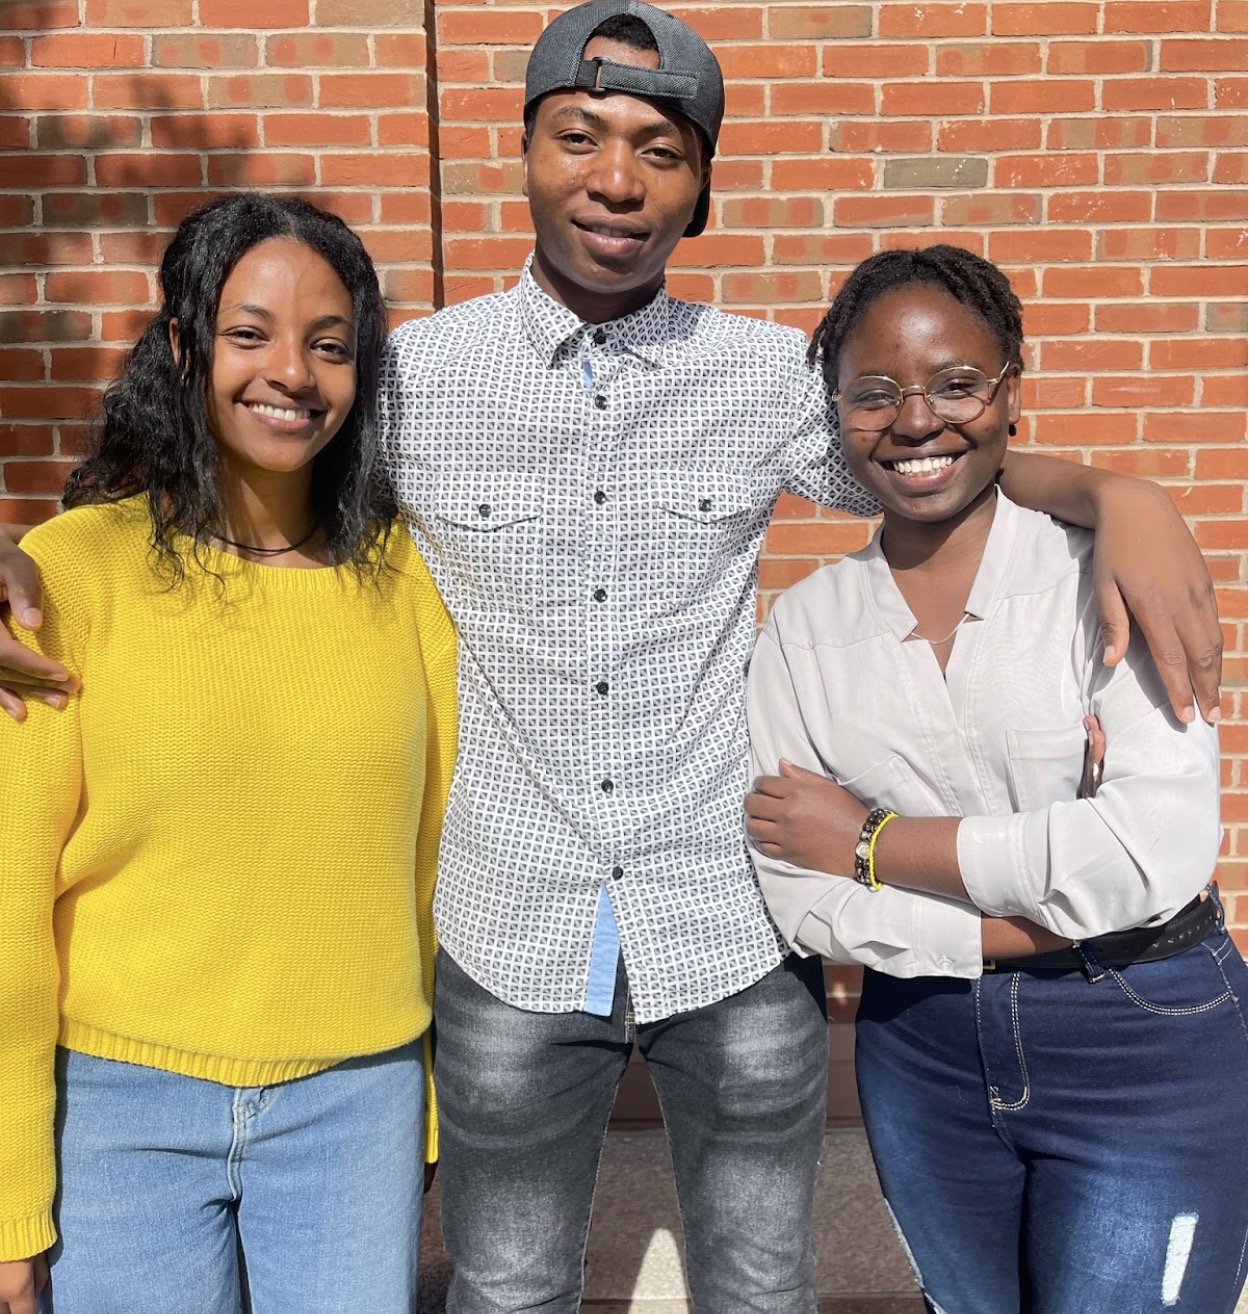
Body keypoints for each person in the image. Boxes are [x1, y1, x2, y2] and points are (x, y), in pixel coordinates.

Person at [0, 4, 1228, 1311]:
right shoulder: (408, 379)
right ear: (522, 154)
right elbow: (209, 478)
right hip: (508, 918)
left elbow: (923, 459)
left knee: (762, 1284)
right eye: (577, 135)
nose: (615, 176)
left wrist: (1110, 487)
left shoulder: (764, 377)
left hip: (729, 917)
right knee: (509, 1281)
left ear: (698, 187)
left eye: (659, 147)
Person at [745, 245, 1247, 1314]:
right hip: (918, 1049)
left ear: (1010, 390)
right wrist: (1044, 917)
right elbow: (798, 893)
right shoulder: (806, 629)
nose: (915, 420)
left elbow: (1144, 858)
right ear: (836, 416)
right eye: (871, 394)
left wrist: (875, 845)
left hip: (1140, 1035)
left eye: (955, 383)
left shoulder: (1101, 575)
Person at [0, 193, 457, 1314]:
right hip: (119, 1106)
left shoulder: (411, 581)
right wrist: (10, 1195)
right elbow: (8, 905)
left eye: (330, 344)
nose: (292, 374)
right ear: (181, 345)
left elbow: (440, 861)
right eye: (249, 333)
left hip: (359, 1105)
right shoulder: (69, 577)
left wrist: (432, 1109)